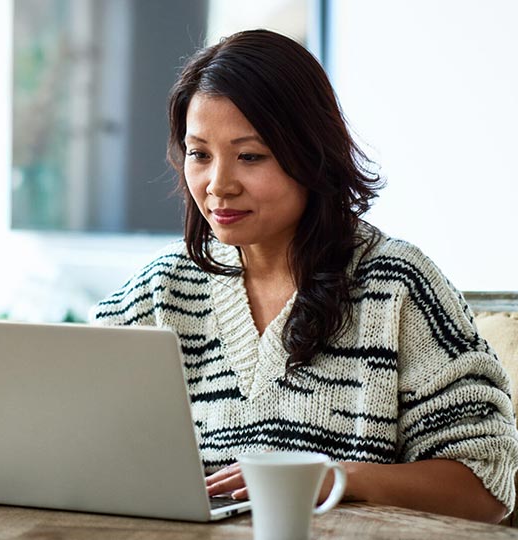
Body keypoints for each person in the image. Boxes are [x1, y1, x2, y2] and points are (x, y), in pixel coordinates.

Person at [91, 29, 517, 523]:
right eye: (199, 154)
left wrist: (336, 478)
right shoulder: (161, 288)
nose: (218, 185)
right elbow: (76, 436)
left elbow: (487, 486)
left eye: (250, 156)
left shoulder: (397, 285)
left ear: (311, 153)